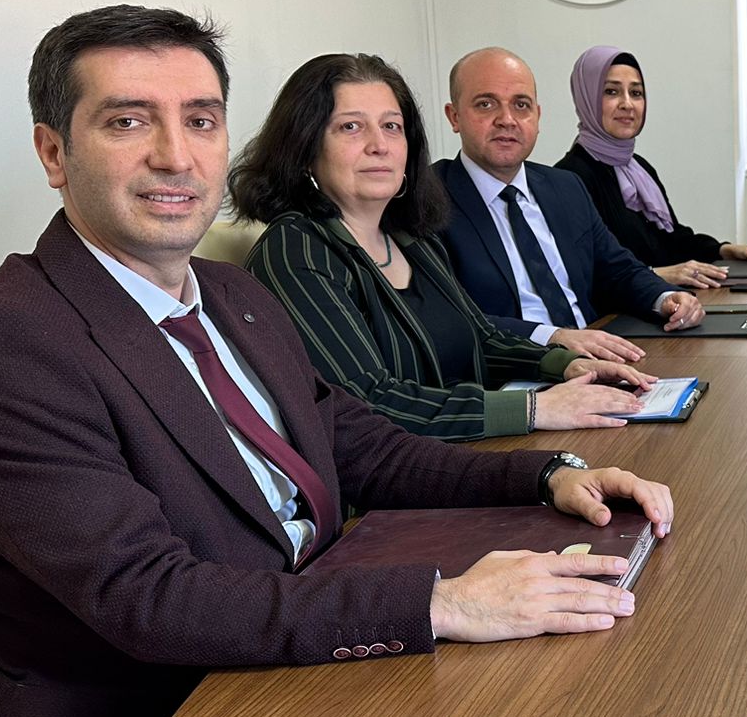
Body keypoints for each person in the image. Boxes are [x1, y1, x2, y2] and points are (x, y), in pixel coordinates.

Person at [0, 7, 674, 717]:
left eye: (201, 120)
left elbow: (361, 448)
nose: (175, 155)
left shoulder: (229, 294)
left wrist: (546, 475)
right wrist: (441, 602)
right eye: (127, 121)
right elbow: (150, 599)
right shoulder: (8, 345)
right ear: (54, 153)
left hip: (305, 686)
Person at [234, 53, 651, 439]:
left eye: (391, 126)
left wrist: (568, 365)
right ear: (305, 147)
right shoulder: (295, 250)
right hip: (390, 483)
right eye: (351, 127)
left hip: (465, 447)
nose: (379, 145)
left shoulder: (411, 237)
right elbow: (367, 403)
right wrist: (532, 407)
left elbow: (482, 339)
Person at [437, 46, 703, 347]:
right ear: (454, 117)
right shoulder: (428, 201)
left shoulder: (564, 186)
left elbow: (617, 269)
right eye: (486, 104)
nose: (507, 119)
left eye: (521, 105)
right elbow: (449, 316)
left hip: (597, 353)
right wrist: (555, 338)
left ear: (537, 116)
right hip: (512, 366)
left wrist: (665, 297)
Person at [555, 45, 747, 289]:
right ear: (586, 98)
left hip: (667, 300)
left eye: (636, 93)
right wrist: (657, 274)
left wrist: (723, 250)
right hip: (622, 309)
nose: (627, 104)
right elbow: (584, 273)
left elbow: (671, 239)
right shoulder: (568, 179)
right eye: (611, 91)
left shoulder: (638, 169)